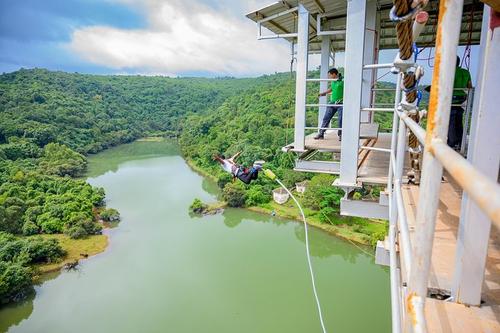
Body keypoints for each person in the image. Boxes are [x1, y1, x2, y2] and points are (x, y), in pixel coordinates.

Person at [449, 56, 472, 150]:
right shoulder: (466, 72)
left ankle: (451, 143)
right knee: (459, 121)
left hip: (451, 100)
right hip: (462, 99)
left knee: (451, 122)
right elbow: (469, 86)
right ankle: (459, 142)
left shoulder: (450, 72)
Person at [315, 68, 344, 140]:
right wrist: (323, 93)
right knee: (326, 118)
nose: (329, 77)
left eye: (330, 75)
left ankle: (341, 135)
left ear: (334, 74)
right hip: (332, 102)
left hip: (341, 103)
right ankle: (321, 134)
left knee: (340, 119)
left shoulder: (343, 80)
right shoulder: (333, 81)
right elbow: (331, 89)